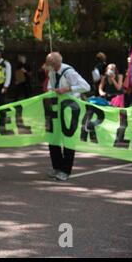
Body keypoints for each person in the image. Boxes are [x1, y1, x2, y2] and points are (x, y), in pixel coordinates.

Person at [45, 52, 91, 181]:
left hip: (70, 109)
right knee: (53, 138)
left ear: (55, 64)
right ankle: (57, 167)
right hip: (57, 108)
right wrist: (51, 91)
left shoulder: (68, 72)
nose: (47, 66)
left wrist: (67, 89)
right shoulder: (52, 72)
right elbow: (50, 86)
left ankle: (65, 170)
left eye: (49, 64)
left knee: (68, 139)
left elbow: (85, 87)